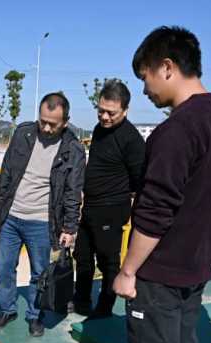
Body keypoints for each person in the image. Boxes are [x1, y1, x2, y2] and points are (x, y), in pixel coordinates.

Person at [112, 26, 211, 343]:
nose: (146, 89)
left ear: (166, 67)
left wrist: (128, 270)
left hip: (161, 274)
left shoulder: (176, 130)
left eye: (146, 77)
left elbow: (155, 211)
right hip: (194, 269)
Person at [0, 92, 86, 337]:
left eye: (52, 124)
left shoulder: (73, 149)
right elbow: (6, 172)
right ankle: (6, 309)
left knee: (39, 274)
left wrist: (69, 228)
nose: (45, 127)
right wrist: (2, 204)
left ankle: (35, 316)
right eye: (42, 120)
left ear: (65, 121)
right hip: (11, 217)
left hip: (42, 222)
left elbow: (72, 192)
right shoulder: (23, 133)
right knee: (4, 268)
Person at [70, 79, 145, 318]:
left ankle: (104, 308)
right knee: (82, 255)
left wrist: (118, 194)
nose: (104, 116)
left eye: (110, 113)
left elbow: (139, 180)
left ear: (125, 110)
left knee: (107, 261)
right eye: (100, 110)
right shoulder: (99, 130)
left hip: (111, 209)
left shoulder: (132, 139)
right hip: (90, 205)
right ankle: (80, 299)